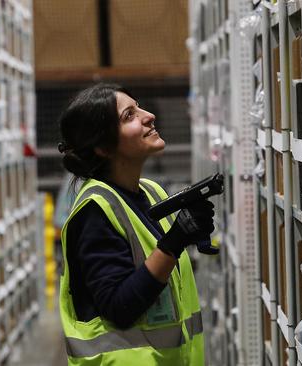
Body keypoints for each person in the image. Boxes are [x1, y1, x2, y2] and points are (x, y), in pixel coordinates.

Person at [57, 83, 215, 365]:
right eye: (129, 115)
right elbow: (119, 307)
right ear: (103, 147)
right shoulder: (94, 211)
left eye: (138, 106)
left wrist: (189, 233)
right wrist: (176, 240)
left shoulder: (151, 192)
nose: (149, 115)